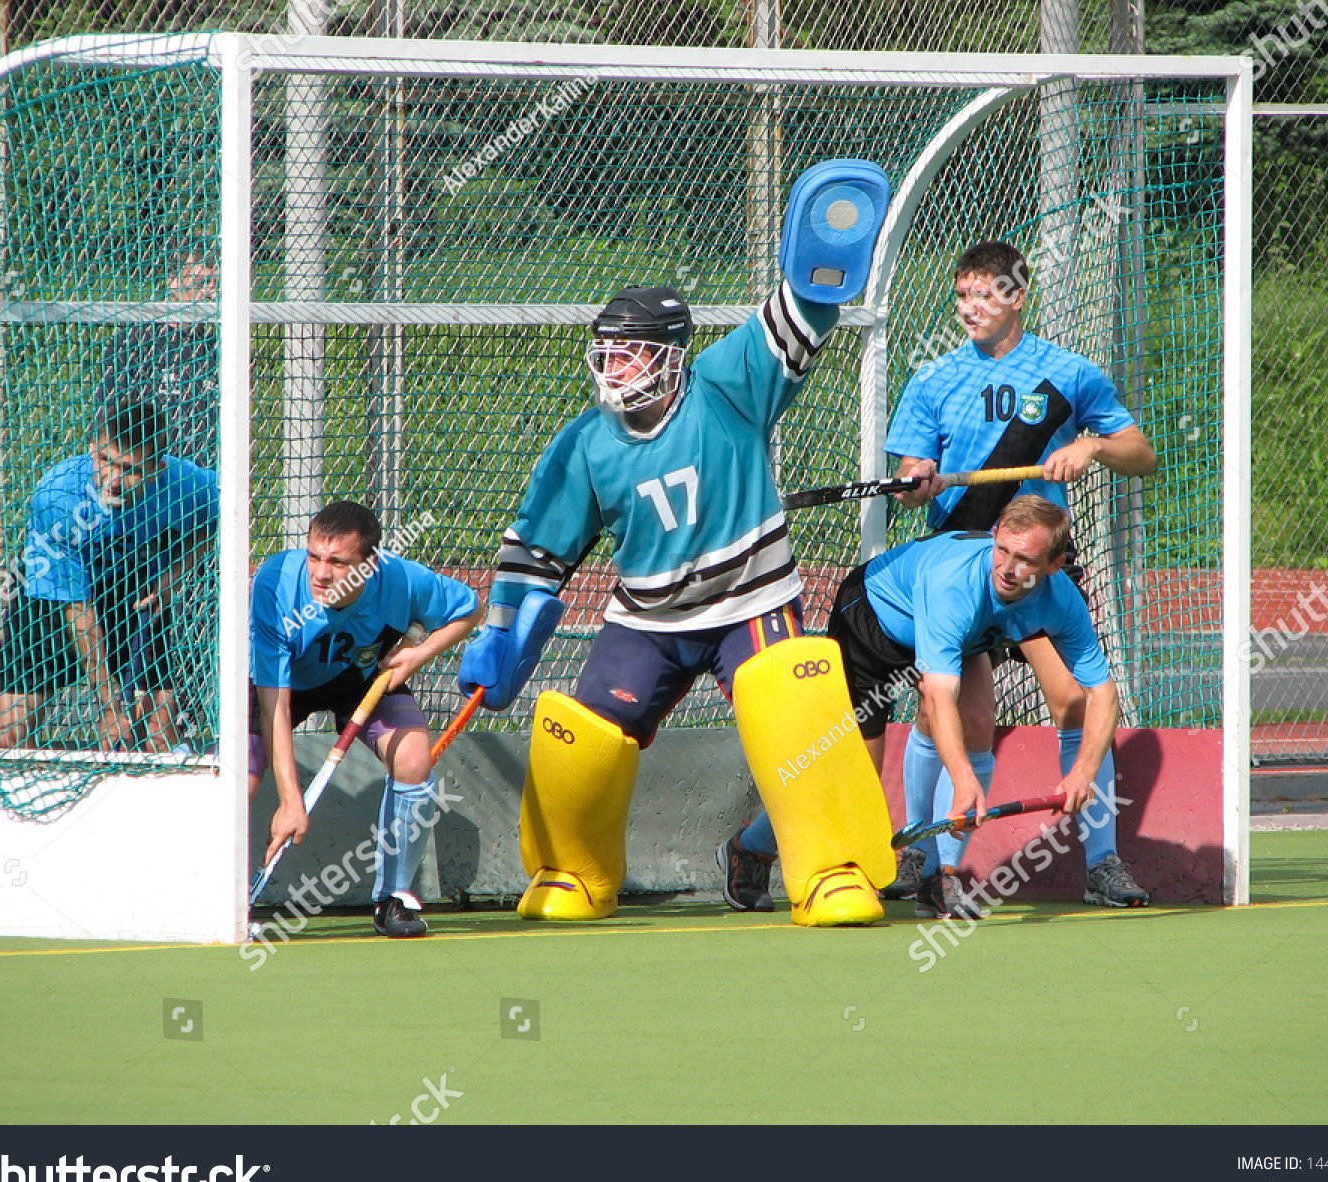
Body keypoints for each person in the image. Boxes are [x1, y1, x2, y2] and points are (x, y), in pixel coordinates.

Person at [458, 161, 899, 927]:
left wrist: (828, 245)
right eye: (606, 353)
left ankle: (832, 870)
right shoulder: (586, 444)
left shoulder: (727, 383)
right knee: (580, 735)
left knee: (797, 704)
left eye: (628, 353)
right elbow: (536, 551)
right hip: (647, 621)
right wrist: (504, 633)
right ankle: (573, 872)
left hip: (749, 599)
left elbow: (803, 308)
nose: (612, 368)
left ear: (667, 355)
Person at [880, 239, 1156, 902]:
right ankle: (923, 856)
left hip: (1031, 574)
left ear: (1016, 297)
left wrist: (1091, 445)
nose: (969, 308)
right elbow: (909, 472)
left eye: (984, 295)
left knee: (1077, 700)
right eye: (961, 296)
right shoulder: (934, 378)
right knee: (942, 712)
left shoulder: (1067, 374)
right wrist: (913, 482)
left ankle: (1100, 862)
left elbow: (1140, 454)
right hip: (963, 574)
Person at [826, 496, 1148, 917]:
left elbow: (1103, 693)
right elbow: (940, 696)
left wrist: (1083, 773)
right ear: (994, 536)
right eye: (1003, 551)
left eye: (1025, 559)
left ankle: (939, 876)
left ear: (1053, 565)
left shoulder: (1060, 599)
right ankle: (750, 848)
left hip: (970, 631)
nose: (1008, 569)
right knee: (855, 769)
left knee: (978, 720)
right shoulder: (953, 585)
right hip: (875, 621)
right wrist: (963, 780)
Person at [249, 500, 481, 938]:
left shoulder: (399, 580)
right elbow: (274, 706)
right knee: (241, 780)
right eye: (315, 556)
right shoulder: (277, 582)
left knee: (414, 757)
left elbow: (470, 610)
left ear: (369, 565)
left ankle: (395, 899)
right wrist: (290, 800)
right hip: (278, 685)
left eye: (338, 562)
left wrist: (418, 654)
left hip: (358, 680)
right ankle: (231, 898)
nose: (320, 573)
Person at [0, 399, 217, 751]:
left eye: (128, 468)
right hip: (50, 598)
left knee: (158, 731)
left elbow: (219, 517)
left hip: (134, 593)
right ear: (92, 449)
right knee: (9, 735)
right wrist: (109, 707)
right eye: (105, 461)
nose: (113, 480)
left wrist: (174, 574)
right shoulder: (60, 496)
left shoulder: (188, 485)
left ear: (157, 468)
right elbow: (78, 609)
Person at [96, 245, 218, 468]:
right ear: (174, 281)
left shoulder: (219, 348)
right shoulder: (135, 344)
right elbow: (111, 419)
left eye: (216, 285)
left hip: (208, 475)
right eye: (202, 283)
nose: (211, 293)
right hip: (152, 475)